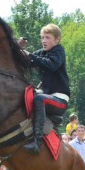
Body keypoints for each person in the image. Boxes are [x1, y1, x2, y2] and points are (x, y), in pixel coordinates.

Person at [22, 24, 70, 155]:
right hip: (48, 96)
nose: (43, 40)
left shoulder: (59, 51)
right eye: (42, 37)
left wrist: (31, 56)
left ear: (57, 39)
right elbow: (27, 61)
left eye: (47, 37)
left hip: (60, 99)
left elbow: (52, 65)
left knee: (39, 99)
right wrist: (17, 49)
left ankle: (37, 141)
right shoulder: (41, 53)